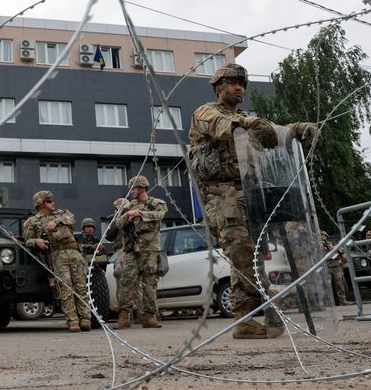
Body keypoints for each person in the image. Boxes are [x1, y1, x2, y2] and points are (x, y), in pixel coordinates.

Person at [188, 63, 319, 339]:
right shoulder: (205, 112)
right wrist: (250, 123)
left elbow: (274, 130)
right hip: (222, 198)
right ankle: (269, 300)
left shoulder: (247, 117)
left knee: (250, 257)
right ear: (219, 86)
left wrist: (297, 129)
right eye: (234, 83)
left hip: (250, 196)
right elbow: (223, 127)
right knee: (244, 254)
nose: (240, 88)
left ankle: (244, 321)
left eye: (242, 84)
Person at [24, 191, 91, 332]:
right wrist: (37, 241)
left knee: (81, 286)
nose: (52, 203)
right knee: (65, 288)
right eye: (49, 201)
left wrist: (56, 221)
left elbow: (71, 219)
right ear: (41, 204)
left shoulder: (62, 213)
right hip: (57, 255)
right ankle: (73, 320)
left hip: (74, 252)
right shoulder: (32, 221)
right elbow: (27, 240)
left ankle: (85, 319)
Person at [112, 176, 167, 329]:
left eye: (133, 189)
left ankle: (149, 317)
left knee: (150, 283)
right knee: (127, 282)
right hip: (132, 250)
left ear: (142, 188)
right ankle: (124, 317)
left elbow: (161, 215)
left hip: (150, 250)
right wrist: (128, 217)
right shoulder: (128, 206)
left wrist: (141, 214)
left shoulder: (155, 203)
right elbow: (118, 223)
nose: (132, 192)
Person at [322, 232, 351, 306]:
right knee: (327, 285)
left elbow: (342, 250)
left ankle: (343, 300)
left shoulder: (333, 243)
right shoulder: (318, 245)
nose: (323, 237)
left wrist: (334, 248)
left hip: (336, 266)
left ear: (327, 236)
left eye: (324, 236)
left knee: (340, 284)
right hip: (325, 267)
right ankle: (328, 302)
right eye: (322, 236)